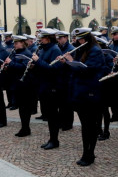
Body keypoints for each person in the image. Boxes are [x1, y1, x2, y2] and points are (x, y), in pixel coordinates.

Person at [65, 28, 106, 166]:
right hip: (80, 93)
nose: (79, 41)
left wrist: (70, 62)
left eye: (81, 39)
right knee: (85, 126)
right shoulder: (81, 49)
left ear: (86, 39)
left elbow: (87, 71)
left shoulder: (95, 51)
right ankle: (86, 152)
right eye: (78, 39)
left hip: (90, 93)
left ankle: (89, 154)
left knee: (90, 126)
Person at [31, 28, 63, 149]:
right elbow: (42, 67)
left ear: (48, 38)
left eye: (42, 38)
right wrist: (34, 66)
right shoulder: (43, 49)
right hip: (44, 86)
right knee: (49, 116)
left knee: (53, 116)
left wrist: (38, 61)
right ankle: (51, 139)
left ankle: (54, 140)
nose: (40, 40)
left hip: (52, 87)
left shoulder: (55, 50)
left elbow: (53, 69)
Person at [5, 35, 35, 137]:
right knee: (21, 108)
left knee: (25, 108)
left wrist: (11, 63)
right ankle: (24, 127)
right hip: (17, 83)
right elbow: (13, 67)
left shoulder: (26, 53)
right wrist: (6, 66)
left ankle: (26, 128)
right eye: (14, 43)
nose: (14, 45)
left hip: (25, 84)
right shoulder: (15, 52)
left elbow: (23, 67)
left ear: (22, 43)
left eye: (16, 43)